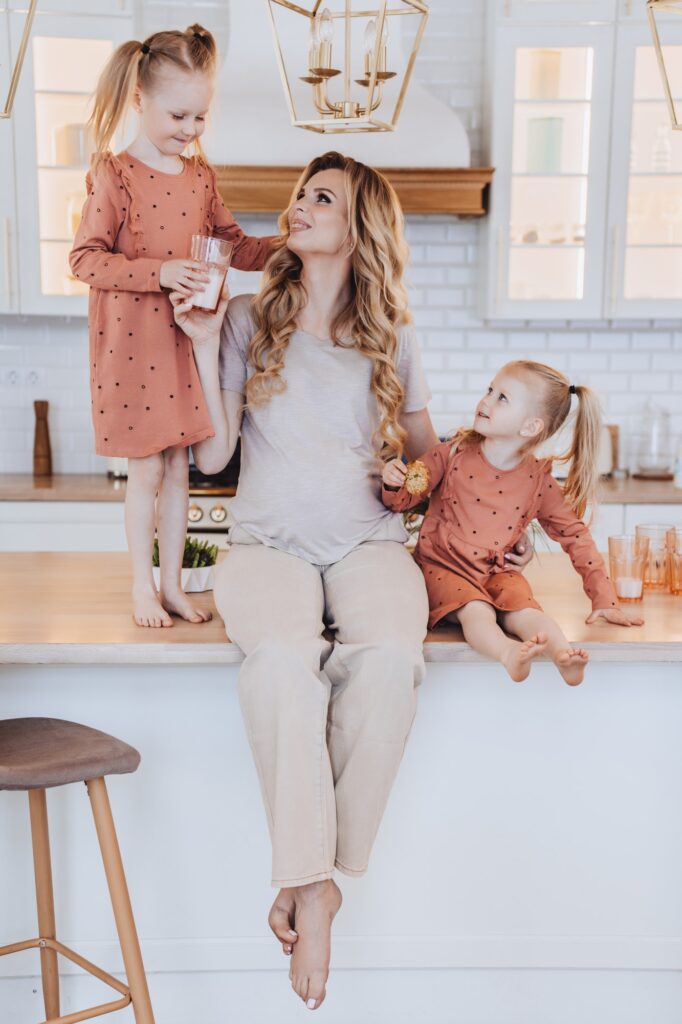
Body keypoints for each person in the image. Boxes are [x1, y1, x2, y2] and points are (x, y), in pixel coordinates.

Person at [169, 151, 533, 1011]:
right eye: (301, 195)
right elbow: (215, 457)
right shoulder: (249, 316)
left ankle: (321, 881)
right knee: (284, 663)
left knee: (388, 661)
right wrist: (196, 341)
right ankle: (313, 889)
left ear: (357, 223)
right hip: (264, 545)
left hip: (370, 544)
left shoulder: (392, 331)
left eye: (320, 198)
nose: (300, 208)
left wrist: (497, 527)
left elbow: (429, 455)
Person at [69, 24, 275, 628]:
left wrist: (292, 247)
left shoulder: (200, 176)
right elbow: (84, 259)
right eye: (178, 114)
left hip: (184, 340)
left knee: (181, 471)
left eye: (200, 118)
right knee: (148, 470)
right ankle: (140, 588)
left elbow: (234, 244)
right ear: (139, 99)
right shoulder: (115, 174)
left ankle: (173, 586)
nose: (189, 129)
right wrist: (161, 273)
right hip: (131, 347)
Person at [382, 360, 644, 686]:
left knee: (526, 610)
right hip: (444, 569)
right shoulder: (450, 455)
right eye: (489, 390)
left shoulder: (538, 481)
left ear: (531, 427)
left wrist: (603, 599)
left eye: (502, 397)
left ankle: (563, 656)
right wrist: (395, 482)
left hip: (498, 571)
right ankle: (508, 654)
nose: (485, 401)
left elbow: (575, 536)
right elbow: (402, 500)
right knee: (477, 611)